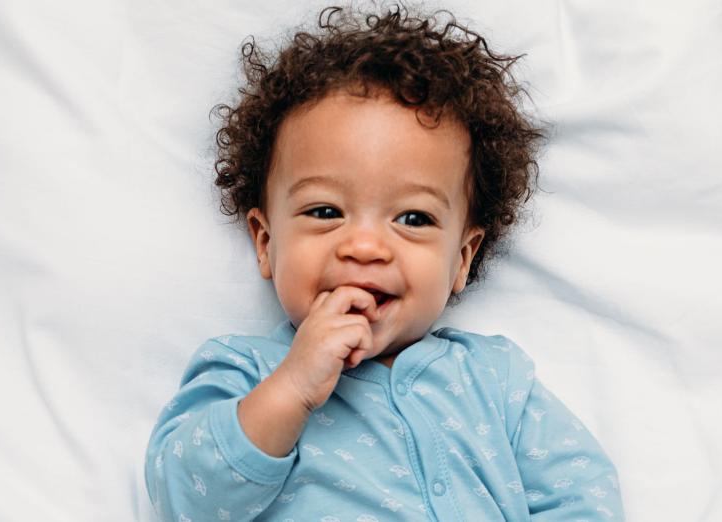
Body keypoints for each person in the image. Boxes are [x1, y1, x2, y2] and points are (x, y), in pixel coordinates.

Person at [145, 4, 624, 520]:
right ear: (266, 241)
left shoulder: (494, 380)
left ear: (462, 260)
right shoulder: (246, 372)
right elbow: (184, 498)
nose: (366, 247)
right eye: (326, 211)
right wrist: (293, 387)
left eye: (413, 218)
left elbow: (583, 491)